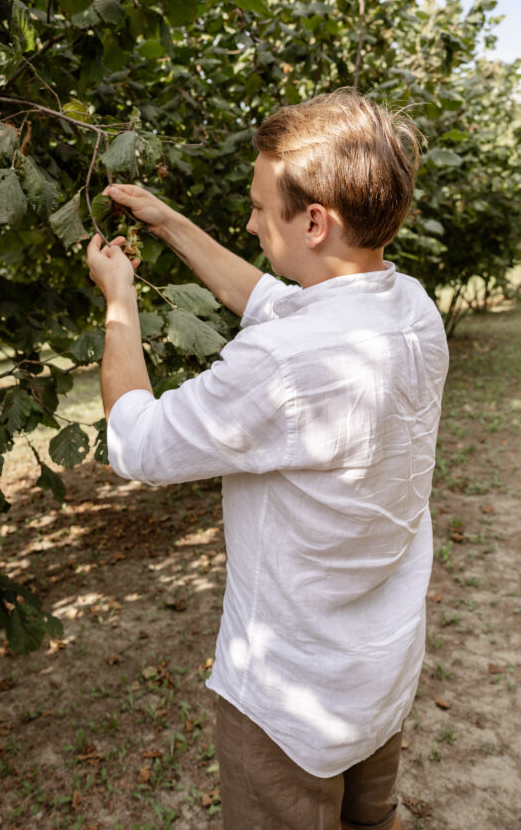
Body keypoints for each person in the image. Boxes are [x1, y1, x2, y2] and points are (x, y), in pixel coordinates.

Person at [85, 89, 449, 830]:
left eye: (259, 207)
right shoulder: (407, 306)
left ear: (314, 221)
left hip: (288, 703)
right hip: (376, 674)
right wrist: (168, 222)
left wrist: (118, 301)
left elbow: (139, 441)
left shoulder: (283, 363)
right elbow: (271, 300)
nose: (250, 222)